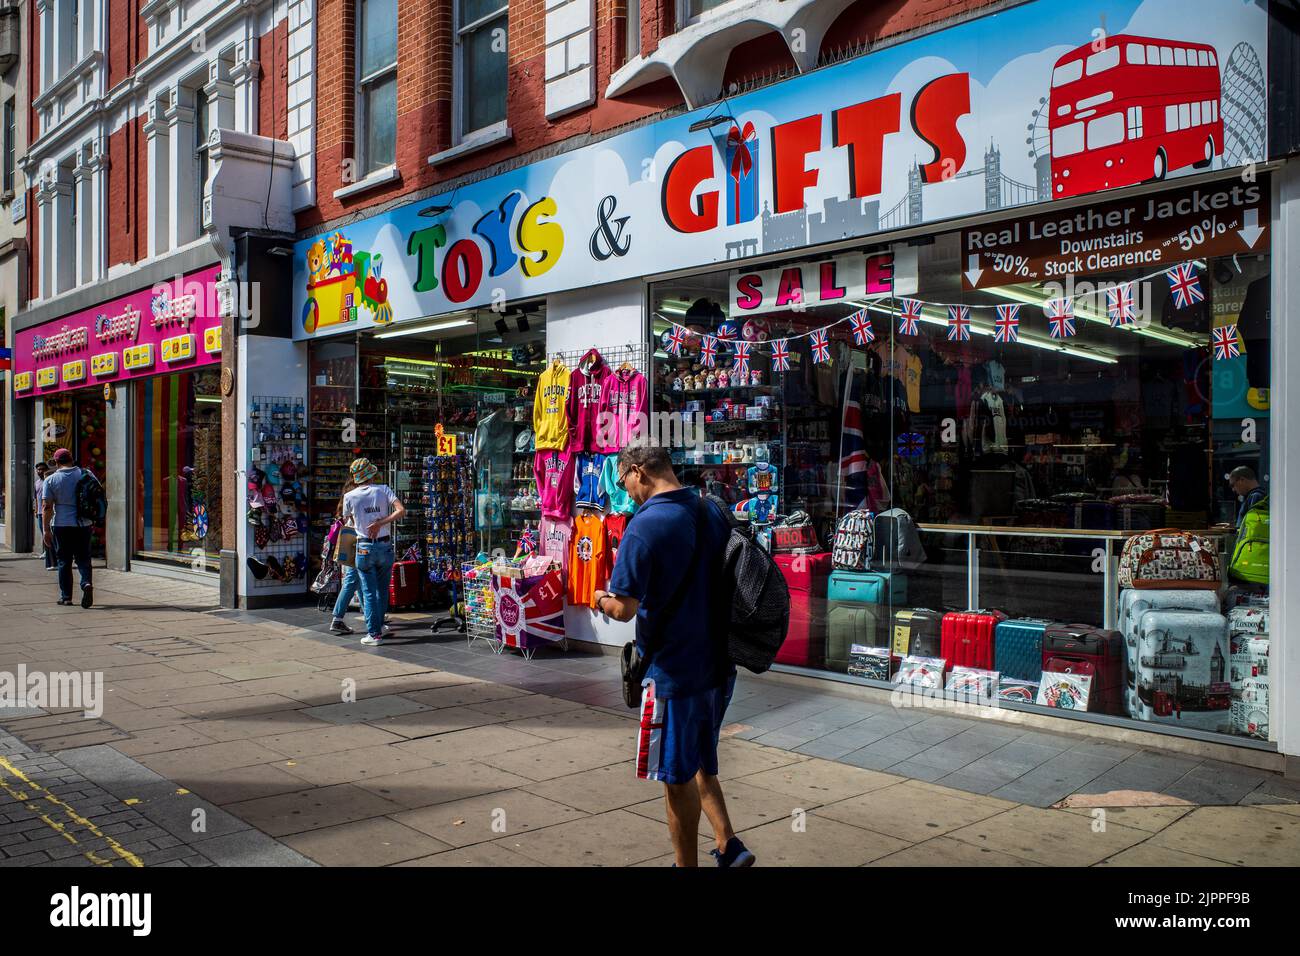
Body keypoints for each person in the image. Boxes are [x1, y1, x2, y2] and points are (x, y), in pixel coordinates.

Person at [593, 444, 754, 868]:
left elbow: (624, 607)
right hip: (720, 665)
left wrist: (600, 599)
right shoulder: (711, 511)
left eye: (624, 479)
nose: (624, 491)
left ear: (641, 472)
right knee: (699, 757)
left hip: (674, 671)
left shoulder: (645, 526)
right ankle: (728, 844)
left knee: (675, 776)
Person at [341, 458, 404, 645]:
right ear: (371, 475)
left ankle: (374, 634)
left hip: (364, 547)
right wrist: (381, 523)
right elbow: (401, 510)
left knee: (368, 592)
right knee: (382, 590)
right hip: (385, 546)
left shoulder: (350, 496)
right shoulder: (383, 489)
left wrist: (368, 522)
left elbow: (349, 522)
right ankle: (381, 625)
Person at [41, 448, 94, 608]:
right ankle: (86, 583)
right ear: (72, 459)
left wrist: (46, 530)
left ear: (56, 462)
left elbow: (47, 507)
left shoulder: (51, 480)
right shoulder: (87, 474)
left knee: (64, 561)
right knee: (84, 559)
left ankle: (66, 597)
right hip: (84, 524)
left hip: (61, 525)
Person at [328, 481, 371, 635]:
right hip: (356, 547)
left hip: (351, 547)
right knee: (352, 582)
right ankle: (337, 619)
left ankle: (371, 619)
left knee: (358, 584)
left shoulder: (346, 502)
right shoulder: (355, 503)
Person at [1228, 466, 1266, 531]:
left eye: (1233, 485)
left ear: (1242, 480)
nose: (1233, 489)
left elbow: (1253, 526)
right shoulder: (1253, 496)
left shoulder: (1256, 496)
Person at [34, 462, 55, 570]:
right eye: (38, 469)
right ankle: (47, 552)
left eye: (42, 469)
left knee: (49, 534)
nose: (40, 471)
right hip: (40, 512)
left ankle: (52, 559)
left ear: (46, 469)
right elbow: (36, 497)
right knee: (44, 533)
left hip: (49, 512)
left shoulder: (50, 480)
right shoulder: (37, 483)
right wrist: (36, 510)